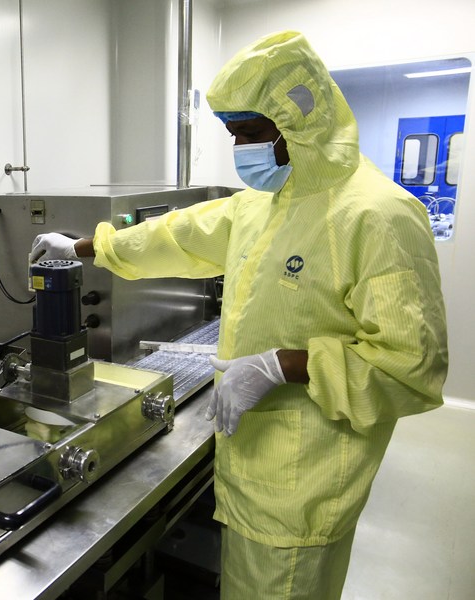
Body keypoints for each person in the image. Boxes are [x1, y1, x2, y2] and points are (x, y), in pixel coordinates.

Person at [30, 30, 448, 599]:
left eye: (249, 133)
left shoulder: (379, 215)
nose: (239, 147)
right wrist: (84, 246)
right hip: (251, 461)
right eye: (232, 133)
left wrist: (283, 365)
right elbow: (178, 234)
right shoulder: (263, 203)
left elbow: (410, 366)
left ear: (299, 123)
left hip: (306, 483)